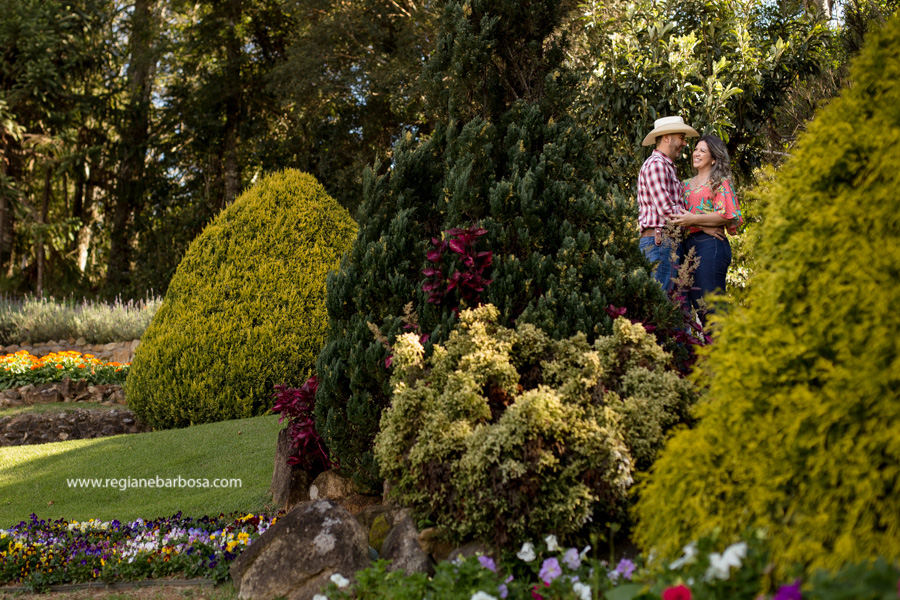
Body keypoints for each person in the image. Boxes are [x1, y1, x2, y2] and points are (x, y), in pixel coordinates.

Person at [670, 133, 743, 315]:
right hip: (687, 246)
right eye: (695, 149)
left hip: (711, 246)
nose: (696, 153)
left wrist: (693, 220)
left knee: (712, 309)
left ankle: (724, 343)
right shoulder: (684, 185)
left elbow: (728, 215)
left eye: (702, 151)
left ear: (713, 159)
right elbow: (676, 215)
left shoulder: (719, 183)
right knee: (699, 307)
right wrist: (702, 225)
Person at [637, 116, 699, 292]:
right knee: (661, 302)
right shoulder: (657, 164)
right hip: (660, 243)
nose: (684, 143)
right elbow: (666, 209)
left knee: (671, 306)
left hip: (665, 243)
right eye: (681, 137)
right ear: (666, 138)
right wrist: (699, 221)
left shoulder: (666, 166)